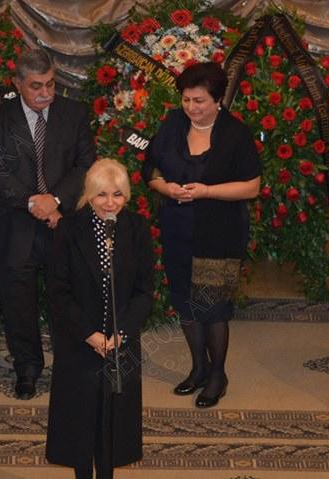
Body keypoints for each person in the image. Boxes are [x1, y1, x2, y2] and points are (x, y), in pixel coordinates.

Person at [142, 61, 261, 408]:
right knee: (185, 302)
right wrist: (164, 187)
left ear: (217, 100)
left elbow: (251, 186)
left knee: (213, 307)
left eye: (199, 101)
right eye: (186, 100)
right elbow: (150, 165)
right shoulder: (173, 124)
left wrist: (207, 191)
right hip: (177, 228)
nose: (191, 107)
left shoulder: (235, 134)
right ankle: (198, 368)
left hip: (219, 233)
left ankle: (217, 375)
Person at [0, 49, 94, 399]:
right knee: (18, 305)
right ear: (17, 84)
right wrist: (34, 202)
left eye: (50, 84)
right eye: (36, 86)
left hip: (62, 225)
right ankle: (27, 369)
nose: (45, 93)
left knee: (67, 302)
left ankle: (70, 369)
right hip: (15, 225)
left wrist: (55, 200)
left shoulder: (74, 114)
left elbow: (85, 164)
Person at [46, 159, 153, 479]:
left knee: (114, 426)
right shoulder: (69, 229)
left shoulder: (137, 229)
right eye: (101, 194)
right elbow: (58, 291)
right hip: (79, 342)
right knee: (79, 425)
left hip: (120, 343)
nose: (110, 203)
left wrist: (121, 334)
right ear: (89, 195)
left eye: (117, 195)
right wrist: (88, 334)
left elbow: (144, 291)